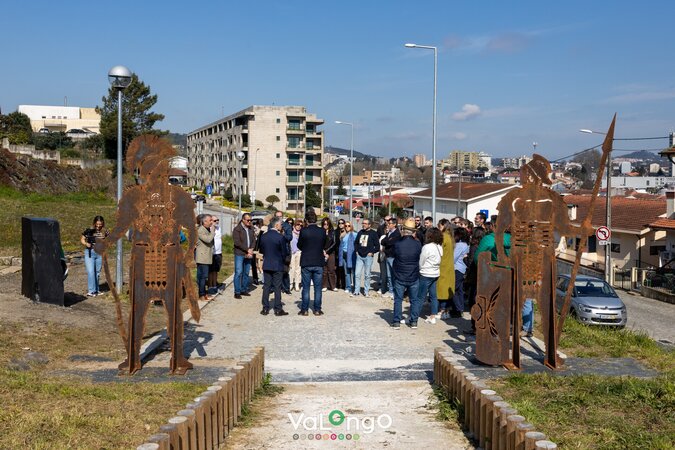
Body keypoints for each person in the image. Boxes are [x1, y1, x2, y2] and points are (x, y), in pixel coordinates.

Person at [391, 218, 422, 329]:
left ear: (403, 230)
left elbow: (394, 256)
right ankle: (414, 321)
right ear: (413, 232)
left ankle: (396, 322)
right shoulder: (418, 244)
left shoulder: (398, 243)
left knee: (398, 299)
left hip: (400, 275)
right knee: (414, 300)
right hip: (413, 275)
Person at [258, 217, 290, 316]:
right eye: (280, 224)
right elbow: (284, 252)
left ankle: (265, 308)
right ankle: (278, 309)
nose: (281, 226)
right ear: (276, 225)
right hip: (277, 264)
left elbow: (261, 250)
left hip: (267, 263)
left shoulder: (264, 236)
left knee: (266, 286)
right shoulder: (280, 237)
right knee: (277, 287)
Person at [297, 210, 327, 315]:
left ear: (306, 220)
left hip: (306, 261)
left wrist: (306, 248)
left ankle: (304, 310)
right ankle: (317, 309)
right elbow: (324, 244)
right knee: (318, 288)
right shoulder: (322, 231)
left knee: (306, 287)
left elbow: (299, 245)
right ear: (316, 219)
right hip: (318, 261)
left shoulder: (304, 231)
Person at [419, 227, 444, 324]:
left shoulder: (427, 247)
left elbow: (422, 261)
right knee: (433, 296)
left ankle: (414, 315)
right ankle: (433, 316)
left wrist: (420, 269)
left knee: (421, 296)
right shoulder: (439, 246)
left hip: (426, 273)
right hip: (435, 273)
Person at [81, 215, 109, 297]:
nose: (98, 226)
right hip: (90, 252)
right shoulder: (89, 230)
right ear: (94, 223)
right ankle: (91, 291)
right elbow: (82, 239)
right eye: (97, 224)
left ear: (103, 224)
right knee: (90, 272)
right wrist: (86, 243)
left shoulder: (105, 231)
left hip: (99, 253)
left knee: (97, 272)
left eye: (100, 224)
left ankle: (96, 290)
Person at [353, 218, 379, 297]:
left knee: (367, 275)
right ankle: (356, 291)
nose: (363, 225)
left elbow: (377, 246)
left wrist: (372, 252)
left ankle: (366, 291)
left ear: (369, 225)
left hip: (368, 257)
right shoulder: (360, 232)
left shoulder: (373, 233)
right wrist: (356, 251)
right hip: (359, 256)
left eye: (365, 223)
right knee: (357, 274)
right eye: (363, 223)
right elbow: (356, 243)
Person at [436, 218, 456, 319]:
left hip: (442, 265)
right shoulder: (451, 237)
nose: (438, 227)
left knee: (441, 289)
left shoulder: (443, 237)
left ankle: (442, 310)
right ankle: (446, 310)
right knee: (447, 289)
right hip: (449, 266)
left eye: (439, 226)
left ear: (443, 225)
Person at [233, 213, 255, 299]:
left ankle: (244, 289)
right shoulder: (237, 229)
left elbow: (253, 240)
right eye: (248, 220)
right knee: (239, 272)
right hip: (240, 253)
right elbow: (237, 242)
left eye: (251, 220)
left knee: (246, 272)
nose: (249, 222)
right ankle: (237, 291)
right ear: (243, 220)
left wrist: (251, 249)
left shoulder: (251, 228)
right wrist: (247, 249)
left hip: (248, 253)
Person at [195, 214, 215, 301]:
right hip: (202, 257)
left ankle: (204, 293)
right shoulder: (200, 230)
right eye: (210, 220)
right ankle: (202, 294)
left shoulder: (206, 229)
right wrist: (213, 231)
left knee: (202, 277)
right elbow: (208, 240)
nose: (212, 222)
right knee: (203, 277)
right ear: (205, 221)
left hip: (206, 257)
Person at [380, 217, 401, 299]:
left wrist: (387, 241)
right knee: (389, 275)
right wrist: (387, 240)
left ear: (394, 224)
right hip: (387, 256)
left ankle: (395, 292)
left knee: (394, 275)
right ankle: (390, 291)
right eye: (388, 223)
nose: (388, 225)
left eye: (390, 223)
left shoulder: (397, 233)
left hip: (393, 257)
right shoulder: (389, 233)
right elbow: (383, 241)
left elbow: (390, 242)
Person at [452, 226, 470, 319]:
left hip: (457, 269)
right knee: (459, 290)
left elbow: (453, 258)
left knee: (453, 289)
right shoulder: (466, 244)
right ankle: (460, 308)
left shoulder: (459, 245)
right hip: (462, 269)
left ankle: (458, 309)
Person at [275, 211, 293, 295]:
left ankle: (286, 288)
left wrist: (282, 234)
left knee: (285, 270)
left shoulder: (287, 226)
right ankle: (274, 287)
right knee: (275, 270)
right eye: (277, 216)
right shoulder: (272, 225)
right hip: (275, 251)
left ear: (282, 217)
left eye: (280, 216)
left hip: (285, 251)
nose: (279, 218)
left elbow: (289, 237)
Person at [339, 222, 358, 294]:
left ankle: (355, 287)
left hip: (351, 255)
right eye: (346, 225)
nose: (347, 227)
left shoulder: (355, 234)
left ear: (351, 226)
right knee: (346, 272)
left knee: (353, 272)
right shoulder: (343, 234)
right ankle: (348, 287)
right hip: (343, 254)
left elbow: (358, 244)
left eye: (349, 225)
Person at [321, 218, 338, 292]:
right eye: (324, 224)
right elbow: (319, 242)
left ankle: (333, 286)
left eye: (327, 224)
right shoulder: (321, 232)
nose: (326, 225)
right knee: (324, 270)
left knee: (331, 269)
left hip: (331, 252)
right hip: (322, 252)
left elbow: (334, 243)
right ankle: (324, 285)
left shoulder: (332, 232)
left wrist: (327, 252)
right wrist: (323, 251)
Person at [208, 216, 222, 294]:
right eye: (215, 220)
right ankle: (210, 286)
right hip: (212, 253)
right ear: (211, 221)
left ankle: (215, 285)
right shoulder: (209, 229)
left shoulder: (219, 228)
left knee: (216, 270)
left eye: (217, 220)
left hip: (218, 252)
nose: (216, 221)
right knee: (211, 271)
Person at [289, 219, 303, 291]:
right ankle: (291, 283)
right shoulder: (291, 233)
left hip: (299, 252)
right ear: (294, 225)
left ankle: (297, 283)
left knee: (298, 268)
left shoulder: (302, 234)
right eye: (298, 224)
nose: (299, 226)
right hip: (292, 252)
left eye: (301, 225)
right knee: (292, 268)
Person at [335, 219, 347, 290]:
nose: (340, 224)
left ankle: (344, 284)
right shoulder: (336, 232)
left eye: (342, 223)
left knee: (344, 269)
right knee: (338, 269)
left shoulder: (347, 232)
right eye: (339, 223)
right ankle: (337, 283)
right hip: (337, 252)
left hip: (344, 253)